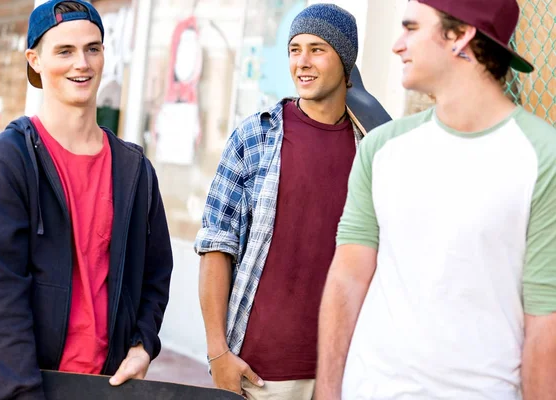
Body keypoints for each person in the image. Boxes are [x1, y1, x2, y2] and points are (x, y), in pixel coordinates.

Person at [315, 0, 556, 399]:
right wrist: (327, 392)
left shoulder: (542, 156)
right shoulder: (381, 148)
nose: (397, 44)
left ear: (460, 36)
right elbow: (347, 278)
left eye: (411, 27)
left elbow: (544, 318)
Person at [0, 1, 173, 399]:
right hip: (16, 387)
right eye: (65, 51)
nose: (82, 63)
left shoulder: (134, 170)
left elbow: (156, 274)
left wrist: (143, 345)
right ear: (34, 60)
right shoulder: (8, 161)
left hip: (103, 386)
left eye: (93, 48)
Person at [195, 4, 367, 399]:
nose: (302, 63)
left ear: (345, 61)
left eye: (317, 50)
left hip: (343, 375)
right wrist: (218, 352)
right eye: (294, 49)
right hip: (259, 376)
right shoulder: (254, 139)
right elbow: (216, 246)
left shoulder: (369, 151)